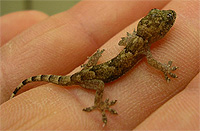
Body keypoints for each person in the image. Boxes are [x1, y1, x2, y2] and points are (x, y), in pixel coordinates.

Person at [0, 0, 199, 130]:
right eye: (165, 24)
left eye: (165, 23)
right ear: (158, 34)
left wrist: (93, 62)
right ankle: (98, 104)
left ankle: (25, 83)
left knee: (97, 71)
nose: (167, 22)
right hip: (93, 77)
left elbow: (125, 45)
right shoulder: (143, 47)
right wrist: (164, 69)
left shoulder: (137, 42)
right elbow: (153, 62)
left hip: (91, 70)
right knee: (101, 85)